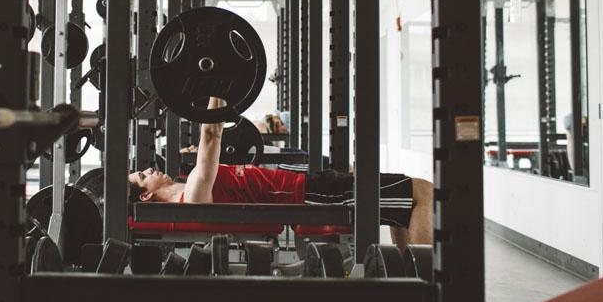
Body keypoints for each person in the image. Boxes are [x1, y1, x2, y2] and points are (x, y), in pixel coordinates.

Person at [130, 98, 433, 251]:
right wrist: (217, 83)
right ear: (146, 195)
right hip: (311, 196)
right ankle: (423, 286)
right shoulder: (191, 197)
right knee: (421, 192)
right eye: (142, 176)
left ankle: (410, 278)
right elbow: (210, 137)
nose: (148, 169)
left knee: (404, 204)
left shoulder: (188, 187)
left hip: (306, 187)